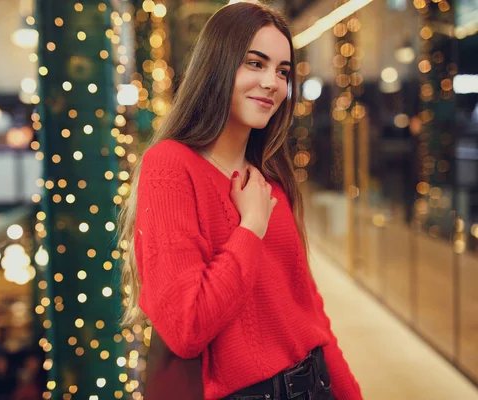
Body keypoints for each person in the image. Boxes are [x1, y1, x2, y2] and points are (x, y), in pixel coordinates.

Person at [117, 2, 363, 399]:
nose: (272, 82)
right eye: (255, 63)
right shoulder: (171, 165)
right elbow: (186, 328)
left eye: (283, 71)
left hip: (313, 384)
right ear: (217, 66)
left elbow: (308, 312)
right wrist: (250, 227)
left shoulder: (271, 178)